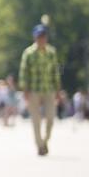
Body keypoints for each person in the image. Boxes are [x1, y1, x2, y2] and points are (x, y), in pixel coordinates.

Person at [18, 23, 61, 156]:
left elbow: (56, 71)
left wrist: (58, 89)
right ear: (35, 38)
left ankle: (45, 140)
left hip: (49, 89)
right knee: (36, 120)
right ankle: (40, 145)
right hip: (33, 90)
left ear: (46, 37)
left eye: (43, 36)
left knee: (50, 118)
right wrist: (25, 90)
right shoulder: (29, 53)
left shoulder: (51, 52)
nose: (41, 39)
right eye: (39, 37)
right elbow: (23, 72)